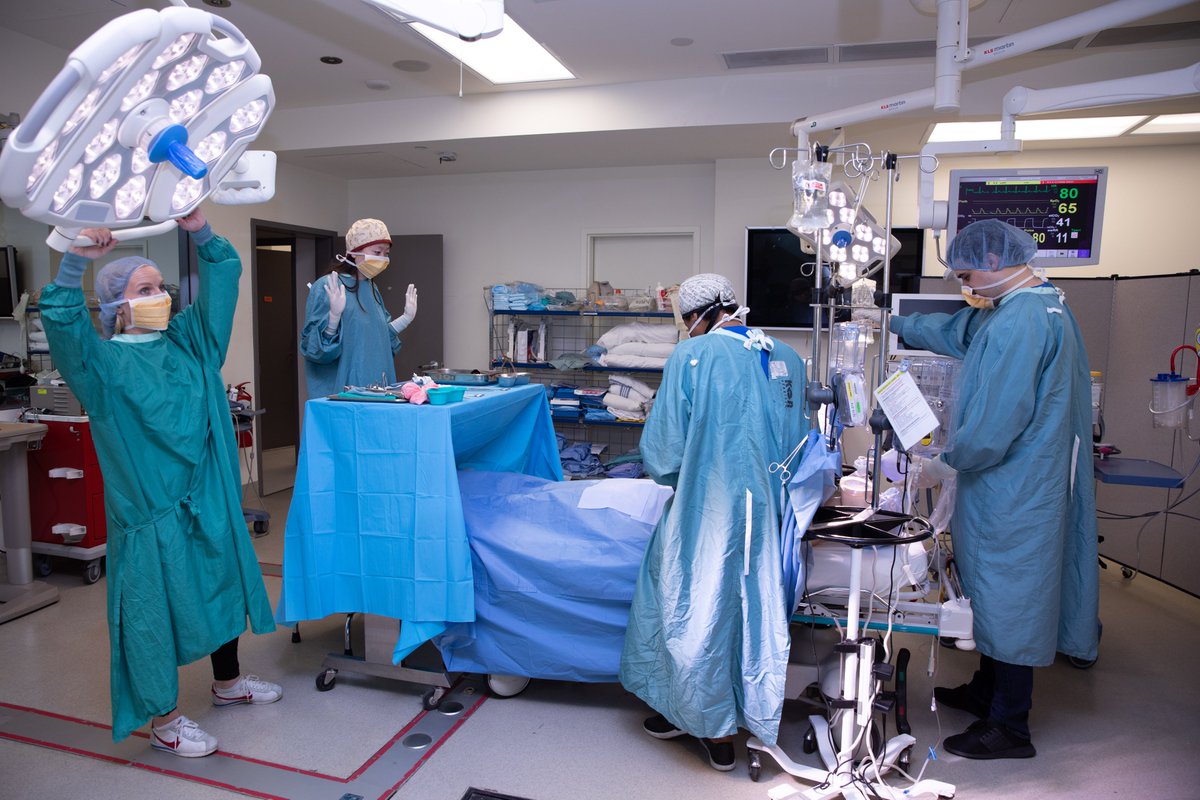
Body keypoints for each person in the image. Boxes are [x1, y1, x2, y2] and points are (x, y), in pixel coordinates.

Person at [40, 209, 281, 758]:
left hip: (209, 497)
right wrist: (76, 255)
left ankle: (228, 685)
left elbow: (224, 275)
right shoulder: (98, 368)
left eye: (161, 287)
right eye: (144, 289)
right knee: (154, 613)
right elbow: (61, 319)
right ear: (115, 306)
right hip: (151, 512)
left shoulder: (190, 343)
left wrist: (199, 229)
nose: (160, 296)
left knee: (219, 588)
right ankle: (167, 721)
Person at [889, 219, 1099, 760]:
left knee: (1011, 595)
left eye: (965, 275)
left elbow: (994, 421)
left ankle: (1010, 725)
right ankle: (988, 689)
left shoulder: (1021, 323)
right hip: (1020, 481)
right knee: (991, 588)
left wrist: (947, 463)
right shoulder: (1030, 308)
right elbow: (959, 332)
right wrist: (892, 323)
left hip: (1016, 487)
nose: (966, 287)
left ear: (992, 260)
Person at [620, 273, 810, 771]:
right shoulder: (787, 359)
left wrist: (688, 474)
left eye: (687, 320)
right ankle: (740, 712)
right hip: (768, 515)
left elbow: (663, 454)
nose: (688, 329)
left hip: (709, 510)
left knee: (697, 610)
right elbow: (798, 442)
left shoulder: (691, 357)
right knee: (752, 612)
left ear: (698, 315)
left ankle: (714, 728)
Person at [300, 218, 417, 398]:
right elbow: (314, 351)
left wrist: (405, 319)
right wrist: (332, 320)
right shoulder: (329, 286)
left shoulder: (371, 288)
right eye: (377, 251)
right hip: (344, 395)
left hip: (377, 392)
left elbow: (379, 340)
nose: (383, 258)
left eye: (386, 253)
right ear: (354, 252)